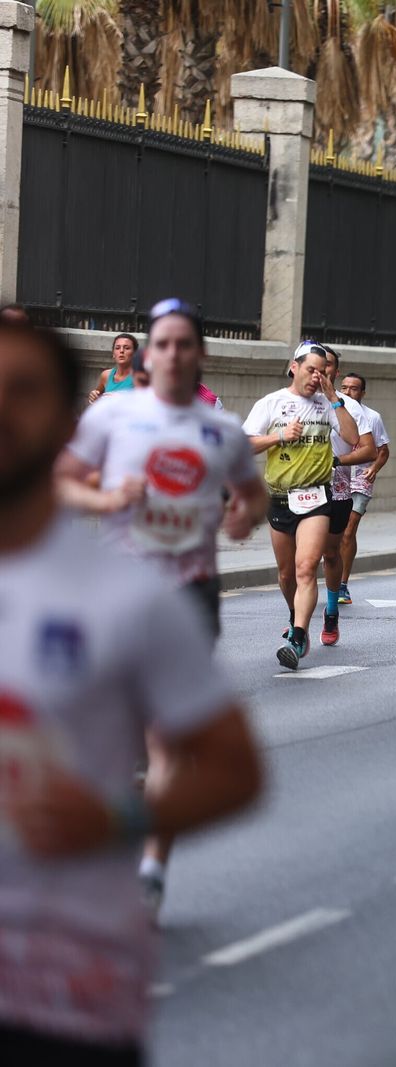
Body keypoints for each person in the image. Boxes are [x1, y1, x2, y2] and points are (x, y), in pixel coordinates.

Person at [0, 319, 262, 1062]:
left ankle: (152, 868)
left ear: (66, 424)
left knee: (162, 748)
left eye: (24, 390)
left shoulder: (132, 600)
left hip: (63, 993)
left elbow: (235, 769)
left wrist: (119, 818)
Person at [54, 299, 267, 915]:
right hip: (118, 590)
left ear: (201, 354)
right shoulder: (113, 415)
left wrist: (243, 517)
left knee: (167, 741)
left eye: (184, 344)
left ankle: (150, 868)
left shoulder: (221, 430)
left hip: (188, 594)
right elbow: (61, 480)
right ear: (149, 353)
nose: (172, 354)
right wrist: (104, 500)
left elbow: (253, 496)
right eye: (163, 343)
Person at [242, 342, 360, 670]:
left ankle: (297, 636)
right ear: (294, 367)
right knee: (286, 574)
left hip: (316, 497)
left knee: (306, 567)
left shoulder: (328, 404)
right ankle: (296, 616)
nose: (316, 377)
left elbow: (353, 438)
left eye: (322, 372)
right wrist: (279, 437)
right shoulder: (271, 403)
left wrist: (334, 397)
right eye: (311, 370)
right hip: (280, 497)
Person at [305, 345, 378, 648]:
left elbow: (369, 450)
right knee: (302, 560)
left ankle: (332, 610)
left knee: (330, 554)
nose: (321, 370)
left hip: (336, 490)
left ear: (335, 371)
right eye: (314, 365)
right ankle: (298, 622)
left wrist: (335, 461)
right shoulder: (290, 402)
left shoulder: (351, 407)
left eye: (328, 365)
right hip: (300, 490)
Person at [335, 372, 390, 605]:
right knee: (335, 533)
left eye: (354, 388)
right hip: (337, 476)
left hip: (361, 477)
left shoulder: (372, 417)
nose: (348, 392)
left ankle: (342, 585)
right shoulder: (333, 411)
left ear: (363, 393)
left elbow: (383, 451)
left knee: (349, 529)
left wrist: (374, 468)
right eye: (344, 387)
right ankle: (332, 575)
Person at [86, 333, 139, 403]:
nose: (121, 351)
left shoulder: (139, 377)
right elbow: (97, 396)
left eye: (127, 348)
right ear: (113, 354)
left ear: (135, 353)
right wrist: (94, 395)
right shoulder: (106, 375)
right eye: (117, 348)